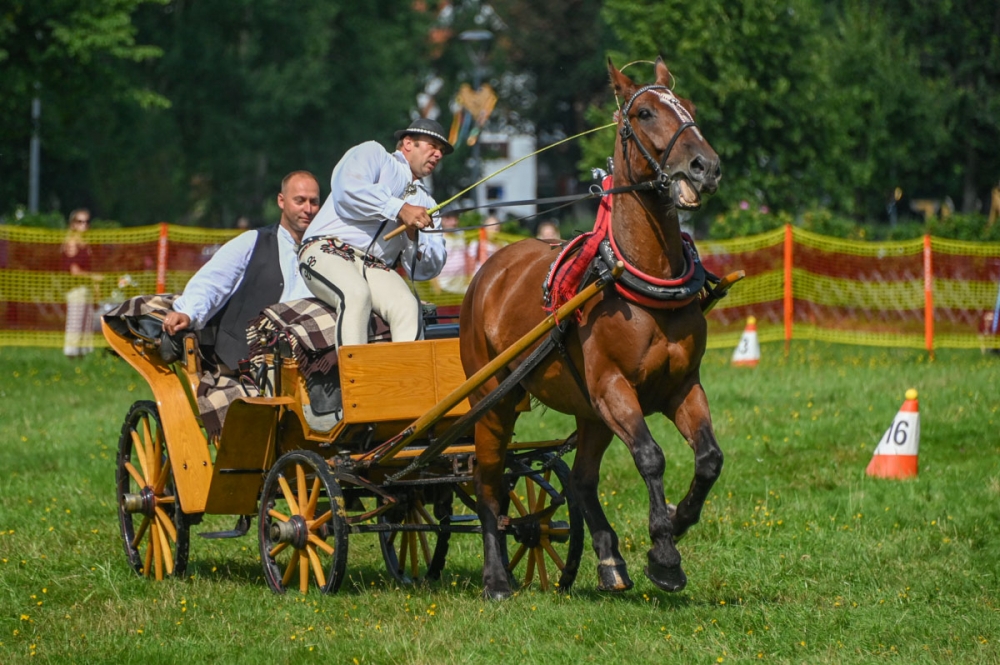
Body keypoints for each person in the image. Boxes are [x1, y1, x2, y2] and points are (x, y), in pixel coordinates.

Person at [298, 118, 451, 350]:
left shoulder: (427, 203)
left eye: (441, 151)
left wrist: (412, 236)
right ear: (408, 143)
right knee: (356, 295)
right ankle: (357, 383)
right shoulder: (374, 154)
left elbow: (426, 269)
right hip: (327, 248)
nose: (438, 155)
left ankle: (406, 384)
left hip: (375, 266)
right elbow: (347, 189)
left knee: (408, 306)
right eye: (432, 146)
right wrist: (400, 209)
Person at [162, 171, 321, 370]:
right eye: (300, 201)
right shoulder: (251, 242)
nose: (308, 209)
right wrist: (187, 312)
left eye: (314, 202)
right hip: (242, 362)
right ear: (281, 201)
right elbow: (212, 282)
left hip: (303, 362)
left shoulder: (324, 253)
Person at [62, 208, 102, 358]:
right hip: (76, 289)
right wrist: (93, 277)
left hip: (86, 289)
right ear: (73, 224)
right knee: (76, 323)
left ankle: (82, 356)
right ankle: (71, 355)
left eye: (86, 221)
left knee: (87, 323)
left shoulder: (87, 244)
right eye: (79, 221)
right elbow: (74, 271)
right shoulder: (72, 243)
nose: (84, 225)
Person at [433, 209, 473, 294]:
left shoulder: (461, 234)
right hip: (444, 287)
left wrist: (469, 278)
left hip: (462, 287)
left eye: (455, 218)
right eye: (448, 218)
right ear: (441, 220)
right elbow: (431, 264)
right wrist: (436, 286)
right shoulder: (436, 238)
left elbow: (467, 257)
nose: (453, 222)